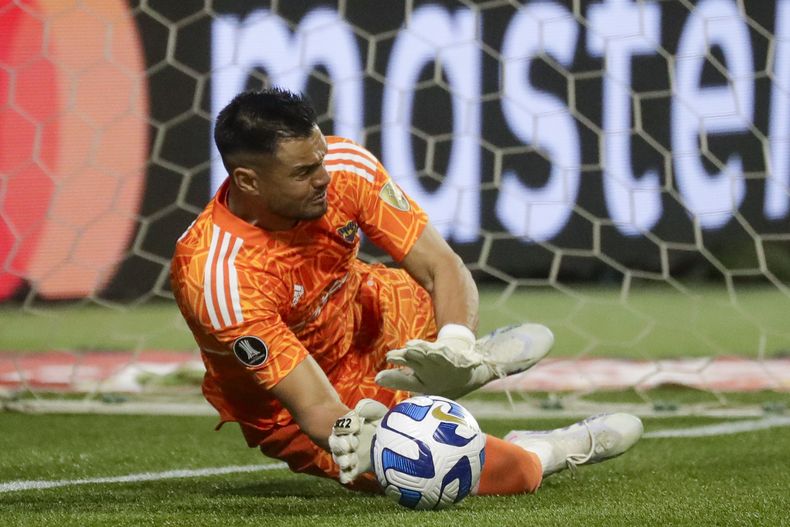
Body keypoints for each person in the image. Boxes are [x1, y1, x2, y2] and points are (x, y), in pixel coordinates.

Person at [170, 87, 642, 495]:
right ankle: (552, 449)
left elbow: (441, 266)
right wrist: (357, 434)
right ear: (248, 180)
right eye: (302, 172)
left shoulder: (345, 167)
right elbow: (314, 406)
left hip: (370, 314)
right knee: (474, 474)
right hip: (299, 403)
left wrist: (454, 342)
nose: (324, 178)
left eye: (320, 159)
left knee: (433, 304)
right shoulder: (218, 277)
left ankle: (462, 367)